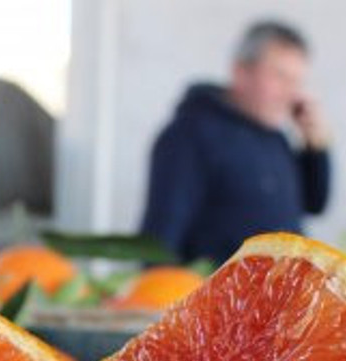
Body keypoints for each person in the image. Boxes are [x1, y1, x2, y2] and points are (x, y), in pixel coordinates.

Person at [140, 20, 331, 263]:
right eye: (280, 77)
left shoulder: (276, 137)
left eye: (296, 82)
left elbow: (315, 203)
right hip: (222, 297)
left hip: (281, 296)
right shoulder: (190, 135)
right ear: (240, 72)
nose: (290, 94)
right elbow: (159, 241)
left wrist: (316, 146)